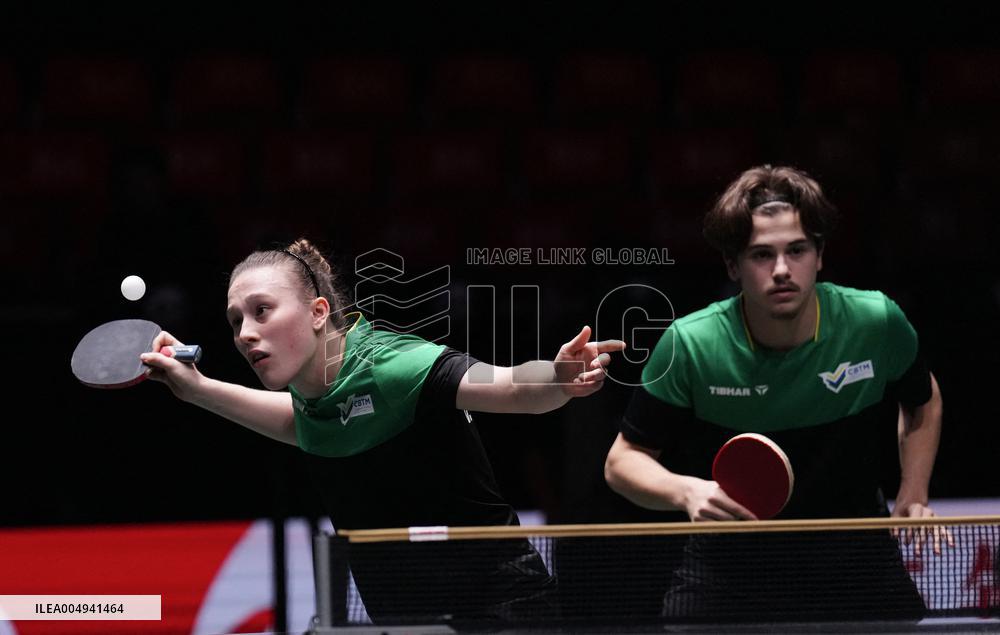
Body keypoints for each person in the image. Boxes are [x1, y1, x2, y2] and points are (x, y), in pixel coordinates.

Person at [140, 238, 625, 625]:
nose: (245, 333)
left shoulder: (393, 366)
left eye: (261, 310)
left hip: (497, 610)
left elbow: (510, 385)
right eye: (235, 320)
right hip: (403, 614)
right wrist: (197, 389)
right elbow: (300, 423)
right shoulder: (315, 401)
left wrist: (557, 378)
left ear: (318, 313)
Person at [604, 165, 945, 622]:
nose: (782, 270)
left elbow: (922, 398)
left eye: (797, 250)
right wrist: (685, 491)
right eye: (761, 255)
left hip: (856, 561)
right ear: (733, 265)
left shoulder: (874, 322)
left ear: (820, 255)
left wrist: (914, 490)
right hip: (730, 570)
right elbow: (622, 461)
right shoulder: (693, 344)